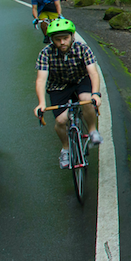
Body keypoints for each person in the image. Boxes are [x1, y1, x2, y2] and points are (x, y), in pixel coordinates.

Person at [33, 17, 102, 168]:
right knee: (61, 121)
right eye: (58, 39)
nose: (62, 42)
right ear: (52, 40)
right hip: (58, 86)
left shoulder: (83, 48)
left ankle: (92, 131)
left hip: (80, 80)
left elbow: (93, 73)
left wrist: (96, 94)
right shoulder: (46, 53)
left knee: (86, 99)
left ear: (72, 36)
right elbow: (41, 80)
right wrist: (41, 103)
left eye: (65, 38)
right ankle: (65, 149)